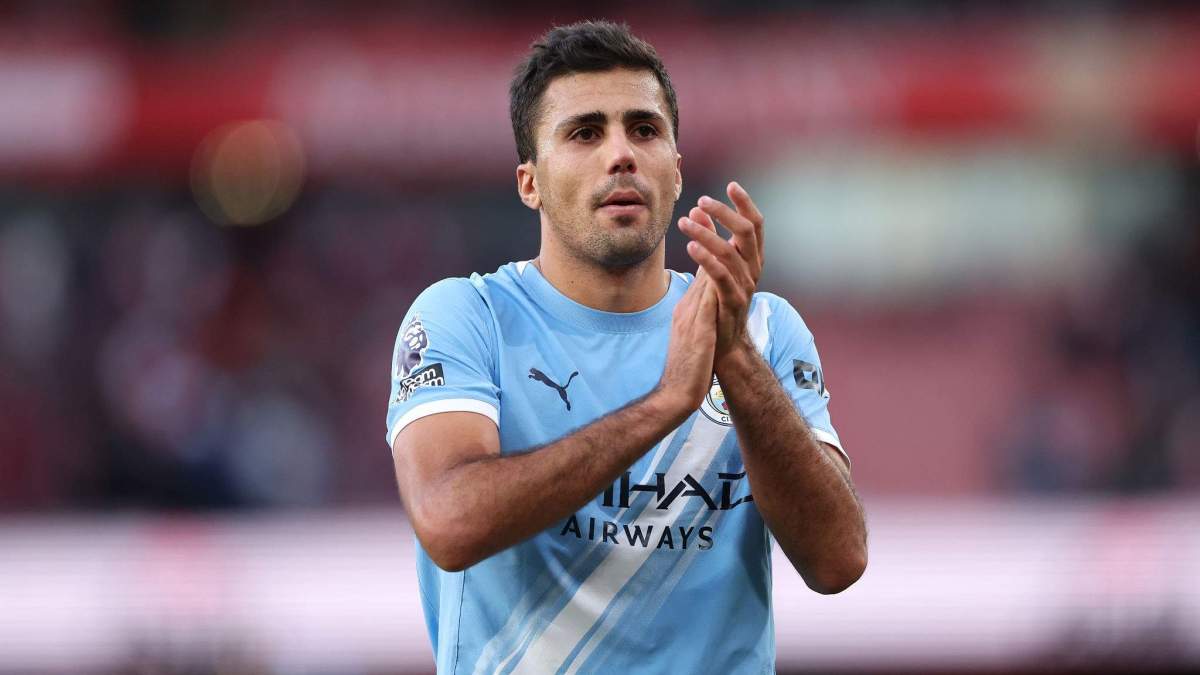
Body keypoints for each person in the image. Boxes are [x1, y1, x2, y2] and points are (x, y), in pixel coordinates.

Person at [385, 20, 867, 674]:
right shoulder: (468, 318)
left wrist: (736, 359)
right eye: (585, 132)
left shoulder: (765, 330)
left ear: (675, 168)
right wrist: (665, 404)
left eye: (644, 130)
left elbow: (838, 559)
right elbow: (449, 522)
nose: (621, 153)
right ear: (529, 182)